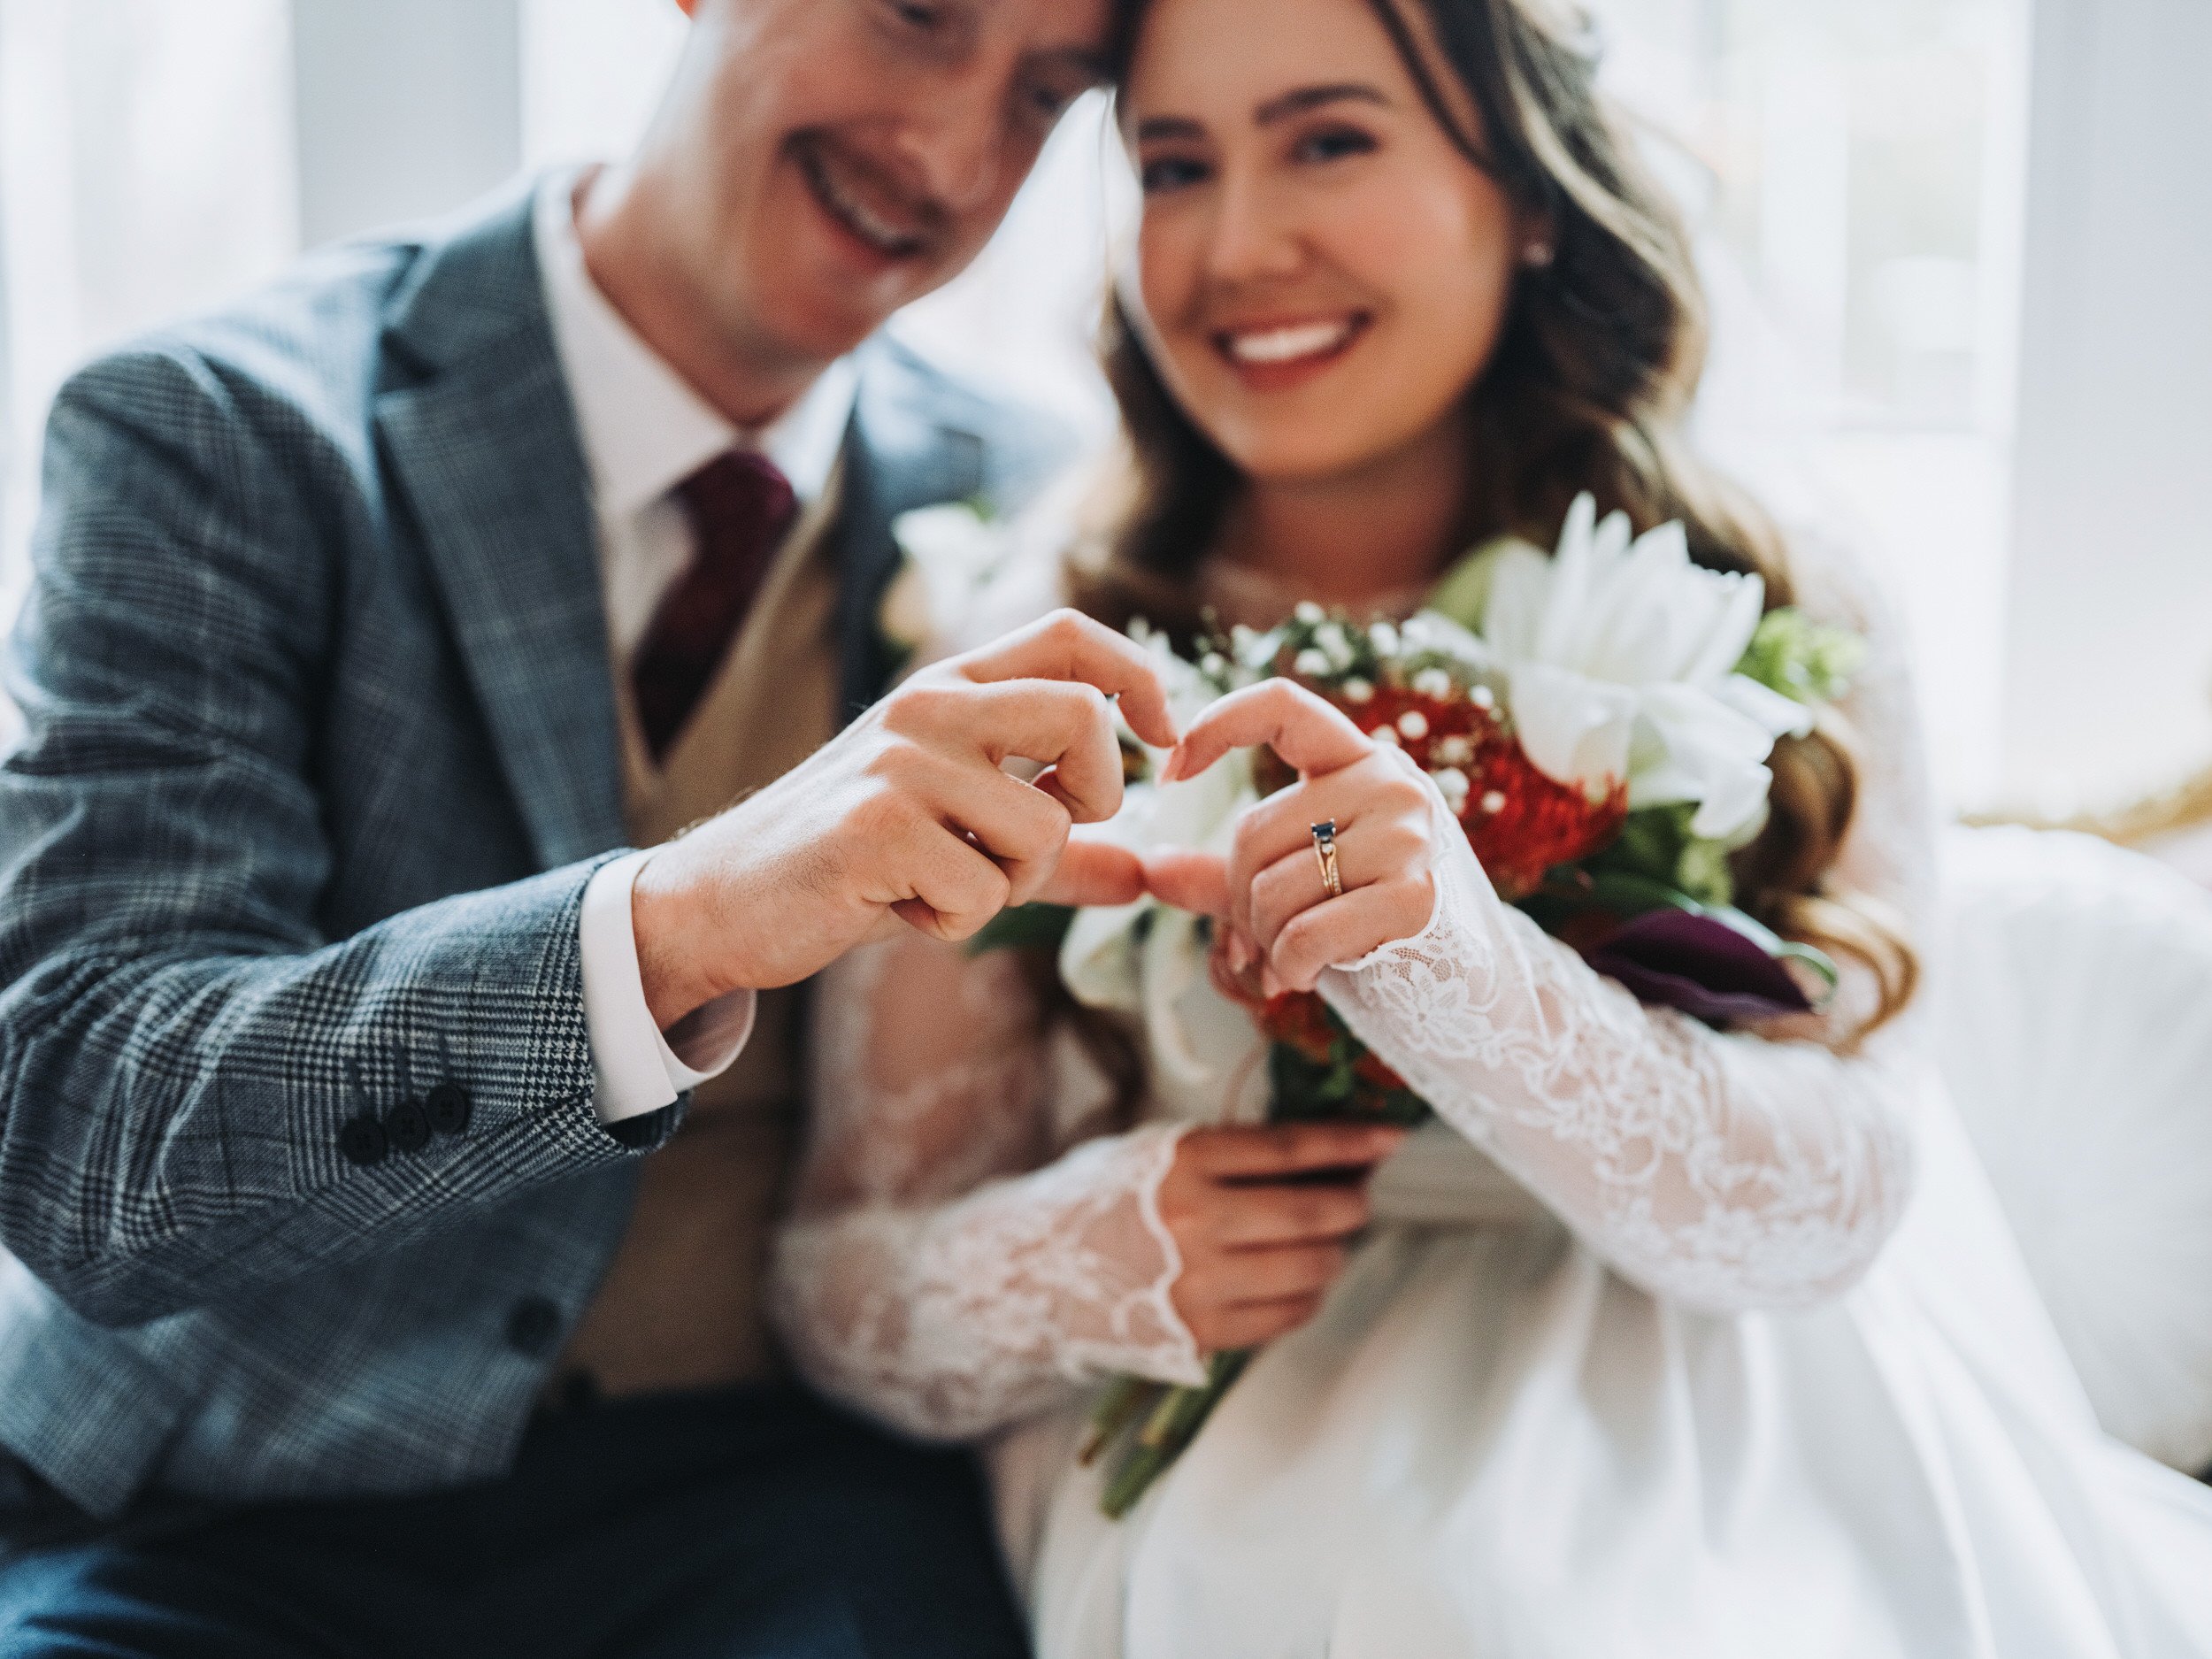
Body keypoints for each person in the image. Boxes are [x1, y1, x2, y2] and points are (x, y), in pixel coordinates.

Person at [767, 0, 2212, 1653]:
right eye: (1174, 166)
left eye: (1328, 138)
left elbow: (1859, 1178)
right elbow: (834, 1283)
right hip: (1263, 1454)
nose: (1238, 244)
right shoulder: (1036, 631)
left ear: (1528, 188)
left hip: (1756, 1416)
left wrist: (1465, 974)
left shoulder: (1769, 587)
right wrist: (1093, 1254)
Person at [0, 1, 1208, 1654]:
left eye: (1049, 96)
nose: (948, 154)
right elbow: (85, 1126)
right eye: (917, 15)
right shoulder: (216, 430)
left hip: (777, 1506)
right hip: (220, 1505)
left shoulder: (1041, 507)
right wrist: (679, 926)